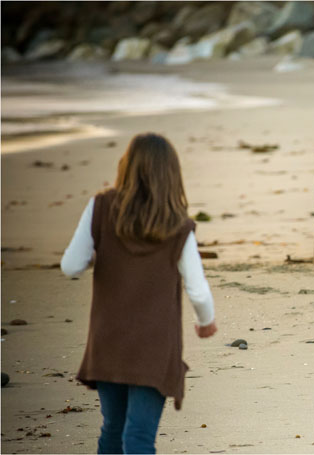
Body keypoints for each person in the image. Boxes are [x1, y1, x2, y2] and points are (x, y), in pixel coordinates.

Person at [61, 132, 217, 454]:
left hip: (109, 341)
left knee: (112, 430)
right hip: (155, 349)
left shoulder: (100, 207)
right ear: (171, 175)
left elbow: (70, 266)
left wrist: (98, 253)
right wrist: (206, 322)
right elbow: (198, 290)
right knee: (139, 438)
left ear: (126, 167)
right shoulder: (178, 225)